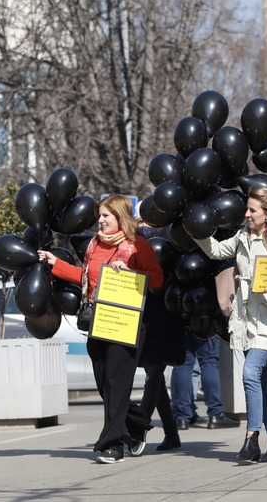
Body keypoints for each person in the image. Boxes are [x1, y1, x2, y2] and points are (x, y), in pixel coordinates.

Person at [38, 194, 164, 464]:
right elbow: (86, 277)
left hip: (126, 322)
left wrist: (130, 271)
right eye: (99, 215)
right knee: (105, 384)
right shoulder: (94, 244)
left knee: (117, 383)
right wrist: (55, 264)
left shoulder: (137, 245)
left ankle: (112, 445)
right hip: (98, 319)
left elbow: (157, 279)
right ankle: (139, 420)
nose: (100, 220)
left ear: (120, 217)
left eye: (106, 215)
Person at [193, 186, 267, 463]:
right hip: (243, 319)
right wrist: (197, 230)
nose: (247, 214)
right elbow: (217, 252)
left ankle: (251, 438)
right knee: (262, 383)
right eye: (247, 209)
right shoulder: (242, 236)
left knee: (251, 374)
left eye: (252, 210)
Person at [134, 219, 187, 452]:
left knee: (154, 371)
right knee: (155, 375)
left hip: (167, 312)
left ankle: (139, 425)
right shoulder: (137, 240)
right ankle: (171, 433)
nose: (146, 223)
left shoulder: (173, 236)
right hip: (147, 314)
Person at [170, 326, 240, 430]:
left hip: (181, 317)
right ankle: (215, 414)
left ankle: (182, 417)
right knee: (209, 362)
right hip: (205, 319)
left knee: (182, 364)